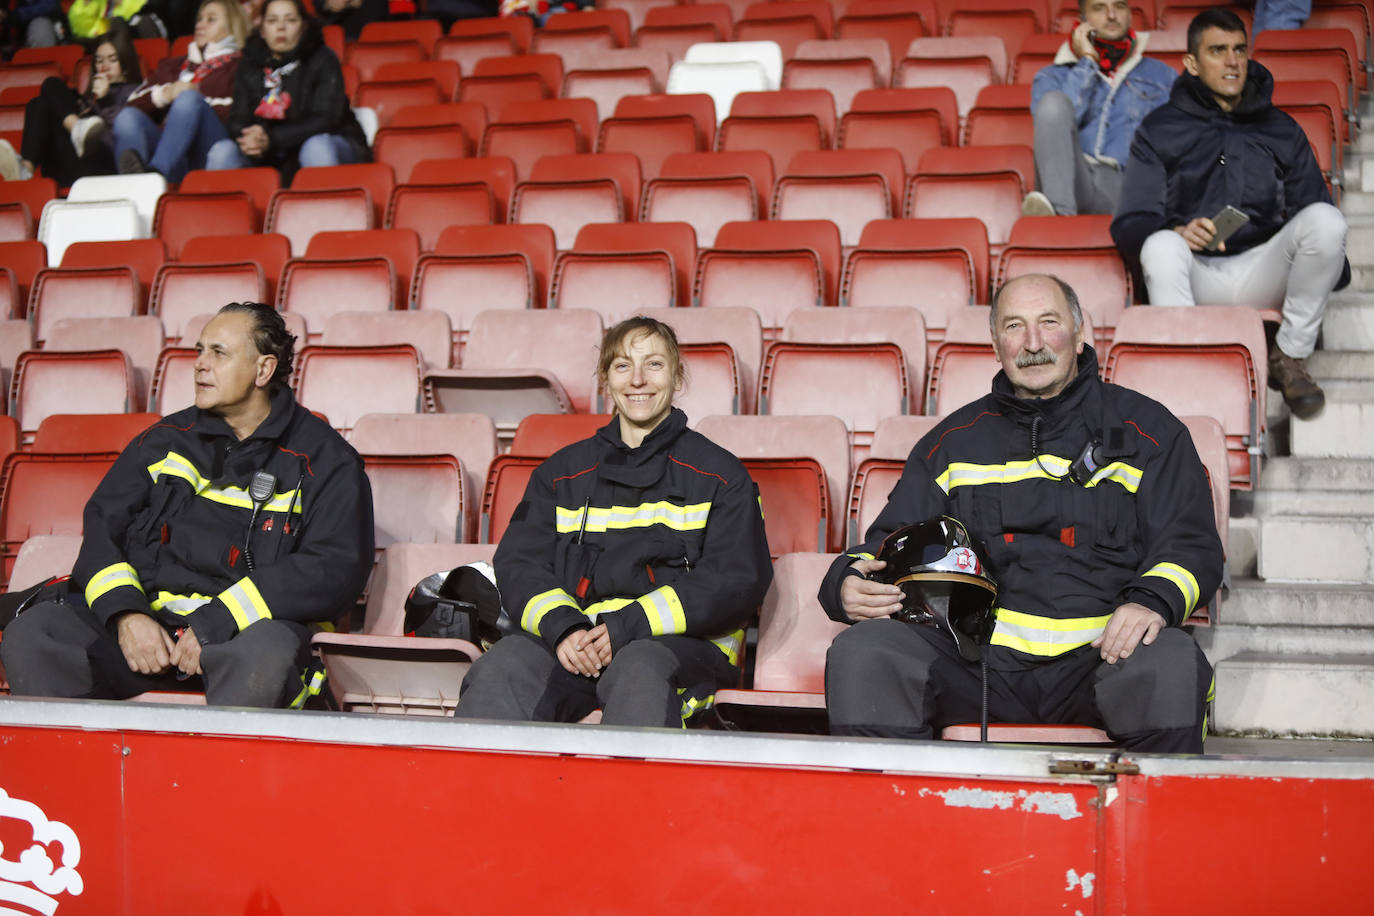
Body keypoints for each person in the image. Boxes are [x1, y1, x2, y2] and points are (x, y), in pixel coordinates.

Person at [822, 274, 1223, 754]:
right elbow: (893, 544)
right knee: (865, 653)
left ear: (1079, 333)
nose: (1033, 343)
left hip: (1102, 658)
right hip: (975, 664)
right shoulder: (953, 444)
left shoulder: (1149, 433)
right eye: (1014, 326)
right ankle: (893, 824)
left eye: (1048, 322)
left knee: (1173, 662)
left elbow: (1192, 545)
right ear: (996, 344)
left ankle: (1157, 826)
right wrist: (844, 582)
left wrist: (1152, 602)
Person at [0, 303, 374, 708]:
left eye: (219, 353)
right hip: (147, 635)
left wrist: (217, 622)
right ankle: (72, 770)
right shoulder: (161, 442)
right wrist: (127, 616)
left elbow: (332, 568)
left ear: (264, 370)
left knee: (266, 657)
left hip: (244, 642)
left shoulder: (327, 461)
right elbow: (102, 531)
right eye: (199, 351)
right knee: (38, 633)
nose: (200, 365)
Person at [454, 317, 773, 728]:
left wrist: (627, 627)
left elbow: (735, 580)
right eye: (623, 366)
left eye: (654, 365)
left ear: (677, 377)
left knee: (640, 669)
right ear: (605, 380)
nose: (638, 379)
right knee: (504, 666)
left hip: (678, 650)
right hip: (575, 643)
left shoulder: (721, 476)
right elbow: (519, 565)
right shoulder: (561, 473)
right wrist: (563, 628)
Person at [1111, 7, 1347, 421]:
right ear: (1191, 64)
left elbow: (1314, 208)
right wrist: (1180, 231)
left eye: (1239, 49)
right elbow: (1131, 222)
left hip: (1263, 271)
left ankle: (1289, 357)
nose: (1233, 61)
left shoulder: (1281, 128)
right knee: (1162, 245)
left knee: (1328, 222)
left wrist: (1326, 265)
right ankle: (1185, 374)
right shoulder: (1159, 128)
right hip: (1194, 274)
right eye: (1218, 51)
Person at [1022, 0, 1176, 217]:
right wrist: (1087, 62)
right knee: (1053, 104)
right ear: (1083, 20)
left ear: (1130, 15)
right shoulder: (1051, 76)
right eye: (1099, 7)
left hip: (1129, 187)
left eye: (1120, 6)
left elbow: (1178, 142)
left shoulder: (1163, 77)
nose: (1111, 15)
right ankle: (1059, 221)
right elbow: (1056, 135)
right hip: (1073, 182)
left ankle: (1053, 225)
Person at [205, 0, 369, 181]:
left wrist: (272, 139)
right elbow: (237, 119)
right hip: (268, 151)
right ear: (262, 30)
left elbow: (326, 119)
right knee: (223, 152)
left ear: (303, 26)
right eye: (272, 21)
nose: (281, 27)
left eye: (290, 20)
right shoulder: (249, 64)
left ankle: (326, 207)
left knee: (316, 147)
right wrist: (252, 137)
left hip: (328, 143)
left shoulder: (323, 58)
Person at [113, 0, 247, 181]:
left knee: (188, 100)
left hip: (209, 148)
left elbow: (240, 112)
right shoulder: (173, 65)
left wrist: (193, 104)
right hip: (168, 147)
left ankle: (156, 175)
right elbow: (131, 104)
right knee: (127, 118)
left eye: (211, 20)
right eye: (199, 19)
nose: (200, 24)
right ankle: (130, 188)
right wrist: (166, 94)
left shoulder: (242, 66)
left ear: (232, 26)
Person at [1, 24, 141, 185]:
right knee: (42, 98)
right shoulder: (87, 97)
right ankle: (26, 169)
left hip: (106, 166)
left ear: (126, 63)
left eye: (113, 60)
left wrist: (105, 100)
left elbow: (117, 137)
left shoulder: (136, 92)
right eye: (99, 60)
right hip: (72, 164)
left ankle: (76, 129)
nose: (104, 67)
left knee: (50, 89)